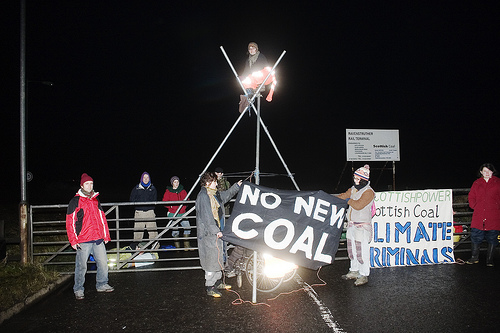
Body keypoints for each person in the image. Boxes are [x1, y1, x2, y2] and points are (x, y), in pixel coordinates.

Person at [66, 173, 114, 300]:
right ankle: (78, 289)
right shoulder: (75, 201)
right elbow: (70, 222)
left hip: (98, 238)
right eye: (87, 183)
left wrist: (106, 235)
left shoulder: (95, 200)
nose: (89, 186)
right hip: (83, 239)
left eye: (91, 183)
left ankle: (102, 284)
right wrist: (73, 240)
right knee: (81, 266)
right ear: (82, 185)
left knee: (103, 263)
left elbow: (102, 219)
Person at [195, 171, 242, 297]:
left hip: (217, 231)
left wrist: (236, 186)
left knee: (218, 258)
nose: (217, 184)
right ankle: (209, 286)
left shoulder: (214, 194)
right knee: (211, 260)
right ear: (208, 182)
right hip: (209, 234)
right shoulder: (203, 196)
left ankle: (218, 282)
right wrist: (216, 231)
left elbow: (226, 195)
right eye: (215, 182)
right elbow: (207, 217)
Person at [336, 165, 375, 286]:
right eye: (354, 178)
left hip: (362, 227)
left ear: (363, 179)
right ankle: (354, 271)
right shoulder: (354, 189)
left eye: (357, 178)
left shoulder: (369, 192)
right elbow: (343, 195)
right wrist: (331, 198)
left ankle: (363, 274)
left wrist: (347, 199)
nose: (355, 180)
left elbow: (358, 205)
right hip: (352, 225)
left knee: (362, 251)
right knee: (352, 249)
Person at [466, 163, 500, 266]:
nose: (487, 173)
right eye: (484, 171)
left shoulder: (498, 182)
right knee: (476, 236)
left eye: (489, 171)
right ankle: (474, 257)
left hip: (493, 215)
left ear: (492, 171)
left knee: (492, 237)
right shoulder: (477, 183)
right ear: (481, 172)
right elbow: (471, 196)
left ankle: (489, 259)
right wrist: (474, 205)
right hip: (479, 215)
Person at [129, 172, 158, 248]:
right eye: (144, 177)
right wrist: (139, 205)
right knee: (138, 232)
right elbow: (131, 200)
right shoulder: (136, 188)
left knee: (153, 232)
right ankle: (136, 248)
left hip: (150, 212)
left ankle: (155, 247)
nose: (145, 179)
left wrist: (150, 206)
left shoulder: (153, 188)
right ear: (141, 179)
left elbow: (155, 200)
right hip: (139, 213)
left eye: (147, 177)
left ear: (149, 179)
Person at [239, 41, 269, 113]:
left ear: (256, 49)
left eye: (253, 48)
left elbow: (265, 67)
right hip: (252, 79)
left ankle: (249, 94)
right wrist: (241, 77)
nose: (251, 50)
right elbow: (246, 71)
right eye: (250, 49)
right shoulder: (248, 60)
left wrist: (252, 74)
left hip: (260, 78)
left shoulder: (261, 57)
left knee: (251, 78)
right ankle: (247, 99)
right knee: (243, 80)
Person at [162, 176, 191, 249]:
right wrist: (171, 207)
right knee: (175, 230)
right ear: (172, 183)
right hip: (173, 213)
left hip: (182, 213)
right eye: (175, 182)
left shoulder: (183, 190)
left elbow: (187, 200)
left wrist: (184, 206)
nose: (176, 183)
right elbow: (164, 202)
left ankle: (186, 247)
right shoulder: (168, 191)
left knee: (187, 228)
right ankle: (177, 248)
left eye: (177, 181)